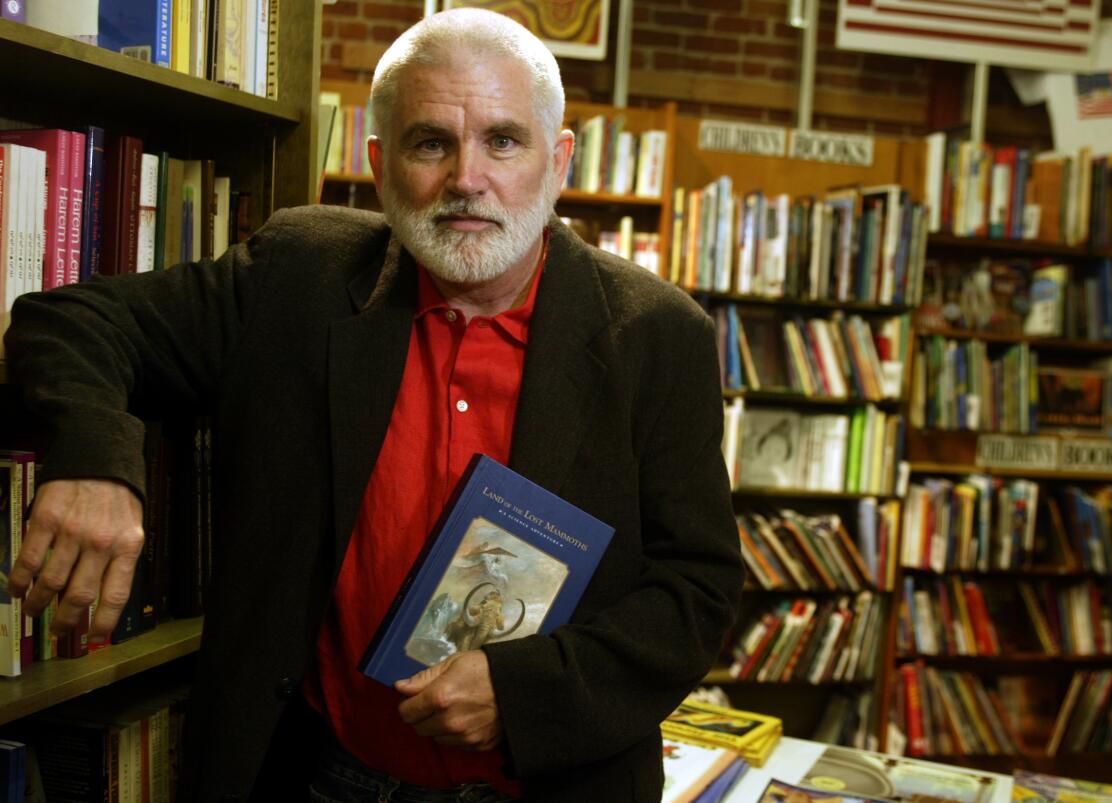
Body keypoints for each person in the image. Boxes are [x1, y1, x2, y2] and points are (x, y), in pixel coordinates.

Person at [5, 8, 743, 802]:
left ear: (556, 160)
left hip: (548, 786)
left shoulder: (657, 335)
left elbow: (696, 590)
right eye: (431, 142)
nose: (466, 177)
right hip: (316, 776)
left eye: (503, 140)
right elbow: (71, 321)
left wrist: (528, 691)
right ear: (380, 162)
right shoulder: (298, 274)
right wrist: (95, 459)